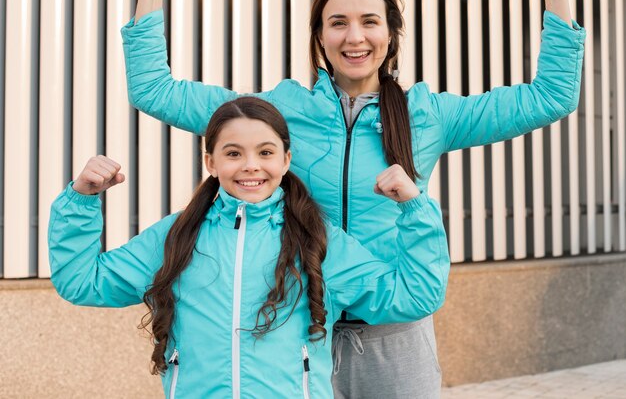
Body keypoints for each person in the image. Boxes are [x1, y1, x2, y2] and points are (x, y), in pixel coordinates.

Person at [122, 0, 586, 398]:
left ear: (391, 32)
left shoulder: (428, 115)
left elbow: (550, 97)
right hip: (299, 335)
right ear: (320, 36)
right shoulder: (276, 114)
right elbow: (154, 91)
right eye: (338, 23)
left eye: (369, 22)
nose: (354, 37)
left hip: (396, 337)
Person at [48, 97, 449, 399]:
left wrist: (415, 209)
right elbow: (83, 282)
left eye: (266, 152)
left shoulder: (319, 240)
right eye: (233, 153)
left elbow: (415, 296)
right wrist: (81, 200)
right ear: (210, 161)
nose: (250, 166)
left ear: (287, 159)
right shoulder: (176, 236)